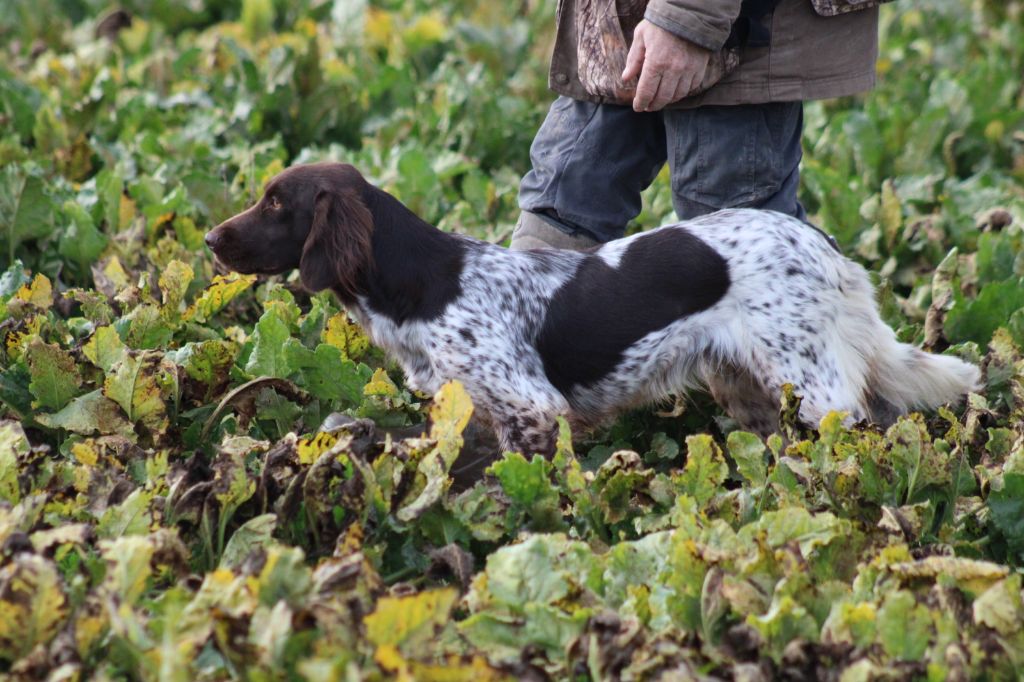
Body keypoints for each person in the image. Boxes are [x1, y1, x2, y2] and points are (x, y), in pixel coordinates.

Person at [510, 0, 888, 250]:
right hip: (618, 23)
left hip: (746, 24)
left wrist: (686, 16)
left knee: (737, 243)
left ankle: (842, 361)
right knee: (562, 202)